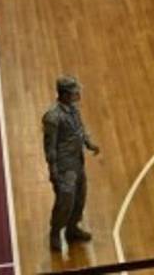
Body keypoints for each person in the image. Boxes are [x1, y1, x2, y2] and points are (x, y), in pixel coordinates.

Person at [44, 76, 100, 252]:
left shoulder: (74, 110)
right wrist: (53, 171)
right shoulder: (53, 117)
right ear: (65, 94)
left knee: (79, 198)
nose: (78, 94)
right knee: (65, 201)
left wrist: (89, 143)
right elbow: (50, 147)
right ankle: (55, 232)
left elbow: (80, 129)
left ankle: (72, 229)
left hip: (77, 161)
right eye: (75, 92)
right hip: (64, 167)